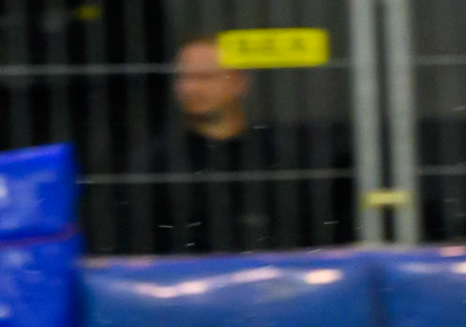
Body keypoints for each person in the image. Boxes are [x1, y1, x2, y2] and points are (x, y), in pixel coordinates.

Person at [138, 34, 351, 252]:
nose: (190, 88)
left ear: (239, 82)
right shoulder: (158, 161)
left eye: (204, 77)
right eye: (183, 77)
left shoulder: (280, 156)